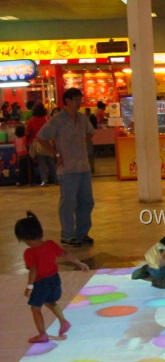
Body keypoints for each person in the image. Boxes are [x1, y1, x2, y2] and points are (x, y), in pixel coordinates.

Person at [15, 212, 88, 343]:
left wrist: (30, 286)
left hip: (41, 284)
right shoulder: (50, 244)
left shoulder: (29, 252)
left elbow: (34, 270)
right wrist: (79, 263)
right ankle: (63, 321)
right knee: (50, 301)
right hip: (55, 280)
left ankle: (42, 334)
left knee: (35, 309)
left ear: (25, 239)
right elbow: (66, 254)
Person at [37, 88, 95, 248]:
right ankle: (68, 235)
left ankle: (82, 233)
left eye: (80, 100)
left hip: (83, 167)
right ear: (67, 101)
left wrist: (82, 143)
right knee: (68, 203)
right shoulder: (57, 120)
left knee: (86, 202)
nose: (79, 103)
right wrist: (55, 154)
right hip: (67, 169)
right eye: (76, 100)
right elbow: (41, 137)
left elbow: (91, 132)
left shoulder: (82, 118)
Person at [27, 103, 56, 186]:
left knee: (42, 163)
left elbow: (28, 132)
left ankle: (44, 180)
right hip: (48, 142)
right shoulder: (47, 118)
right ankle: (56, 179)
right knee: (51, 162)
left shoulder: (31, 120)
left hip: (38, 143)